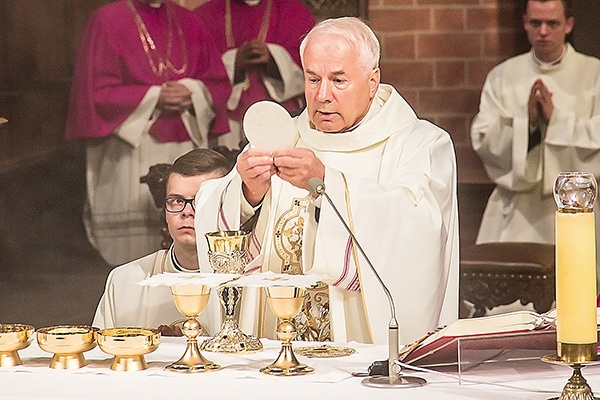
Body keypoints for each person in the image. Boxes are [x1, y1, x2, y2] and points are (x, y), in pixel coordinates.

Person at [194, 17, 459, 345]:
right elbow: (213, 213)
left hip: (364, 347)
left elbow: (422, 230)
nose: (322, 95)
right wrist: (248, 193)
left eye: (338, 80)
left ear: (372, 82)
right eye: (313, 79)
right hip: (277, 344)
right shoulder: (283, 137)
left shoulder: (420, 144)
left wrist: (328, 183)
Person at [65, 0, 232, 266]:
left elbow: (218, 84)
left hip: (183, 147)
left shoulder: (190, 22)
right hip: (131, 149)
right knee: (133, 260)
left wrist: (193, 92)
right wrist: (154, 96)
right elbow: (94, 94)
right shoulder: (107, 21)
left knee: (185, 246)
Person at [470, 0, 600, 284]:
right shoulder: (502, 76)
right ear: (524, 22)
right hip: (516, 210)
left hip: (579, 214)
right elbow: (483, 138)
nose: (543, 31)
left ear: (568, 25)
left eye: (552, 23)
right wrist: (526, 123)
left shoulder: (594, 74)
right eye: (535, 23)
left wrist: (556, 120)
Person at [92, 149, 232, 332]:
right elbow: (102, 358)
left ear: (227, 207)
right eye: (176, 201)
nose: (186, 212)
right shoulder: (125, 282)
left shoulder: (251, 285)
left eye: (200, 200)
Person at [195, 0, 315, 150]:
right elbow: (198, 69)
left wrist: (273, 58)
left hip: (279, 114)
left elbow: (310, 66)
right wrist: (234, 62)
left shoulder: (294, 11)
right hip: (229, 118)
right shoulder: (206, 14)